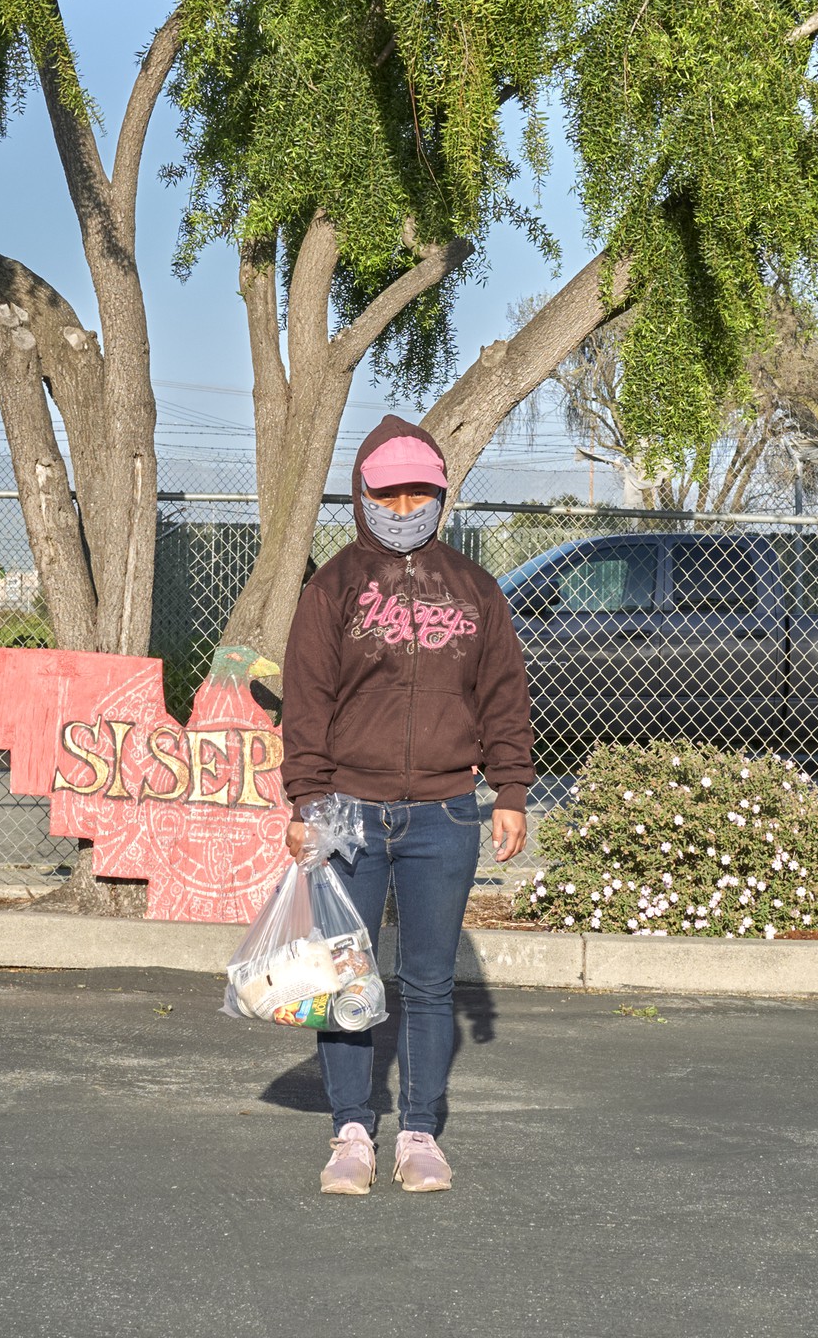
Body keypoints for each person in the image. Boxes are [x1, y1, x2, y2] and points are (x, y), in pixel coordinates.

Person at [279, 415, 535, 1195]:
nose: (402, 505)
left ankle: (419, 1133)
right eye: (387, 492)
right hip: (347, 809)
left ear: (441, 495)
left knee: (427, 981)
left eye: (418, 490)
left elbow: (502, 696)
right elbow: (307, 700)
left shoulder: (475, 589)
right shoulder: (333, 589)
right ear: (362, 495)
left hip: (447, 812)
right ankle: (351, 1131)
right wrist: (306, 800)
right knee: (347, 974)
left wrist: (511, 790)